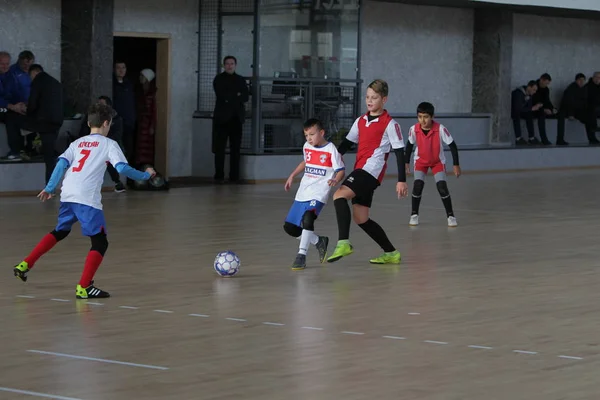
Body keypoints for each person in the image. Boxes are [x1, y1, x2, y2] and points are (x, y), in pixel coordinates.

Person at [12, 103, 156, 299]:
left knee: (60, 231)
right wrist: (146, 176)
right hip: (86, 198)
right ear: (107, 123)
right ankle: (84, 287)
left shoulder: (77, 143)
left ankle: (25, 264)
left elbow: (61, 163)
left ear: (89, 123)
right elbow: (122, 169)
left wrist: (50, 187)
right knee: (100, 242)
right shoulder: (109, 144)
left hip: (68, 193)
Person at [326, 79, 408, 265]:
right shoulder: (361, 120)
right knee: (361, 218)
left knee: (339, 196)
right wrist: (331, 160)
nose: (370, 101)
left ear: (384, 99)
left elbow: (399, 153)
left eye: (375, 97)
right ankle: (391, 252)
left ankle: (343, 243)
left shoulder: (390, 124)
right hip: (360, 169)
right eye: (367, 97)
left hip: (371, 171)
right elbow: (346, 144)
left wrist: (401, 180)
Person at [283, 118, 345, 270]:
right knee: (290, 228)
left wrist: (335, 180)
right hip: (304, 191)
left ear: (321, 132)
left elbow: (341, 170)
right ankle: (318, 241)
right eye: (306, 135)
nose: (308, 138)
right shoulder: (307, 146)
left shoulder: (331, 150)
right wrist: (292, 175)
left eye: (311, 134)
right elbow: (305, 162)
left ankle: (301, 255)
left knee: (308, 218)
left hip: (319, 192)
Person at [404, 102, 461, 227]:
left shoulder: (440, 129)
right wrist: (406, 162)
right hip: (420, 161)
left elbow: (452, 146)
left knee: (442, 187)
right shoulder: (414, 129)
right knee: (418, 185)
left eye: (426, 117)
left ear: (432, 117)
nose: (422, 120)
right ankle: (414, 215)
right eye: (420, 117)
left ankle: (451, 216)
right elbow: (409, 145)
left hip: (437, 162)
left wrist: (456, 164)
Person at [212, 55, 249, 183]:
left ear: (235, 65)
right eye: (227, 63)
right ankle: (219, 176)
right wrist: (236, 95)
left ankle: (234, 176)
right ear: (224, 65)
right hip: (221, 120)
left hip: (236, 119)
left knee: (236, 149)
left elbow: (245, 96)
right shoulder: (219, 79)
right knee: (219, 149)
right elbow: (222, 96)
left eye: (231, 63)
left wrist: (233, 96)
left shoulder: (240, 79)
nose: (229, 66)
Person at [78, 95, 126, 192]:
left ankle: (117, 181)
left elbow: (117, 135)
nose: (99, 106)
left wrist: (103, 142)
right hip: (92, 144)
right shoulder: (91, 117)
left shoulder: (116, 118)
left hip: (107, 145)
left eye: (102, 104)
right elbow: (83, 131)